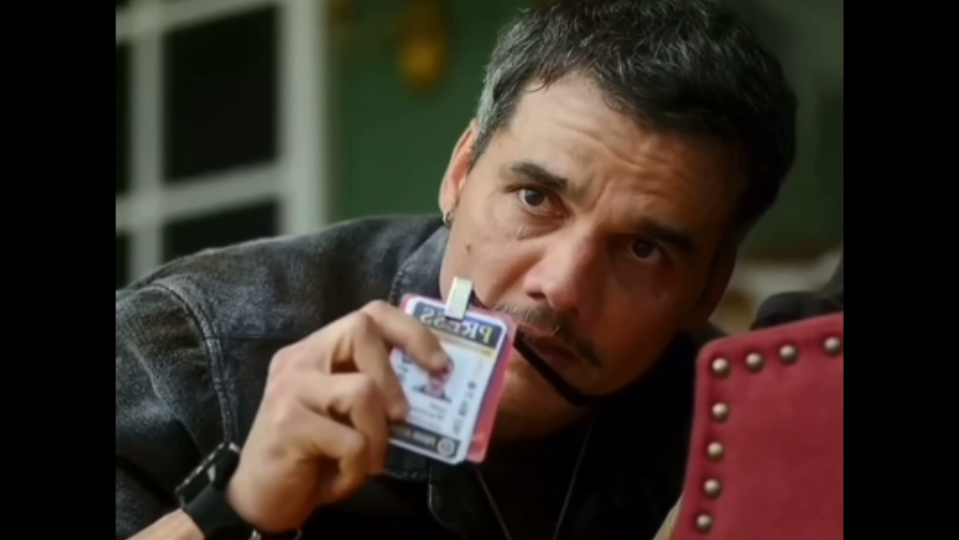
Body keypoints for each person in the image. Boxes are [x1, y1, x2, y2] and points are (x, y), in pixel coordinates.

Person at [115, 0, 797, 538]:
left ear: (709, 288)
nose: (560, 286)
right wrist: (234, 508)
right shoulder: (189, 345)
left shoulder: (734, 430)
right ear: (461, 173)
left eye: (642, 250)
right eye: (536, 199)